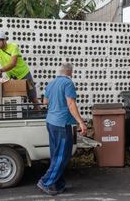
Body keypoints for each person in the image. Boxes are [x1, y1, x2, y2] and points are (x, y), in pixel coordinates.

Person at [37, 63, 87, 196]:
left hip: (51, 122)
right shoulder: (68, 83)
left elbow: (45, 102)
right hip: (61, 124)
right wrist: (81, 122)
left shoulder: (51, 83)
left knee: (55, 155)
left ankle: (57, 184)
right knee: (62, 156)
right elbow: (71, 104)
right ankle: (45, 182)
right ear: (70, 72)